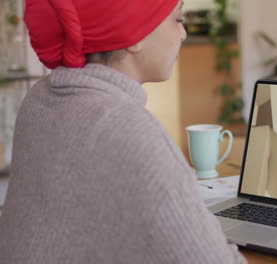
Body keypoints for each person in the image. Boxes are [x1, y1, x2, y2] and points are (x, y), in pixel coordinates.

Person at [0, 0, 246, 263]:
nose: (183, 33)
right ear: (135, 36)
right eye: (177, 19)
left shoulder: (39, 99)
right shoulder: (128, 129)